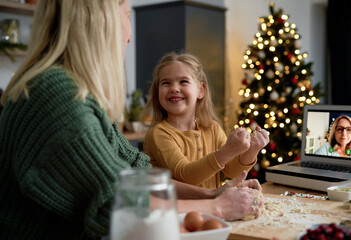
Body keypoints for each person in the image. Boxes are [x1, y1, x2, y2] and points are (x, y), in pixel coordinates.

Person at [0, 1, 263, 239]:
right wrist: (217, 206)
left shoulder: (78, 92)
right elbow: (119, 204)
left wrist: (211, 193)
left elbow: (136, 176)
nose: (129, 36)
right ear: (102, 20)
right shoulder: (56, 94)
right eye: (127, 15)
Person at [143, 52, 269, 189]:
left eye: (183, 81)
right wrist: (228, 150)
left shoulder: (212, 128)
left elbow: (232, 172)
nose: (174, 88)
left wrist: (252, 150)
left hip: (211, 208)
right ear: (158, 91)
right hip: (178, 209)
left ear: (201, 90)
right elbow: (185, 175)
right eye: (166, 83)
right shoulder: (159, 133)